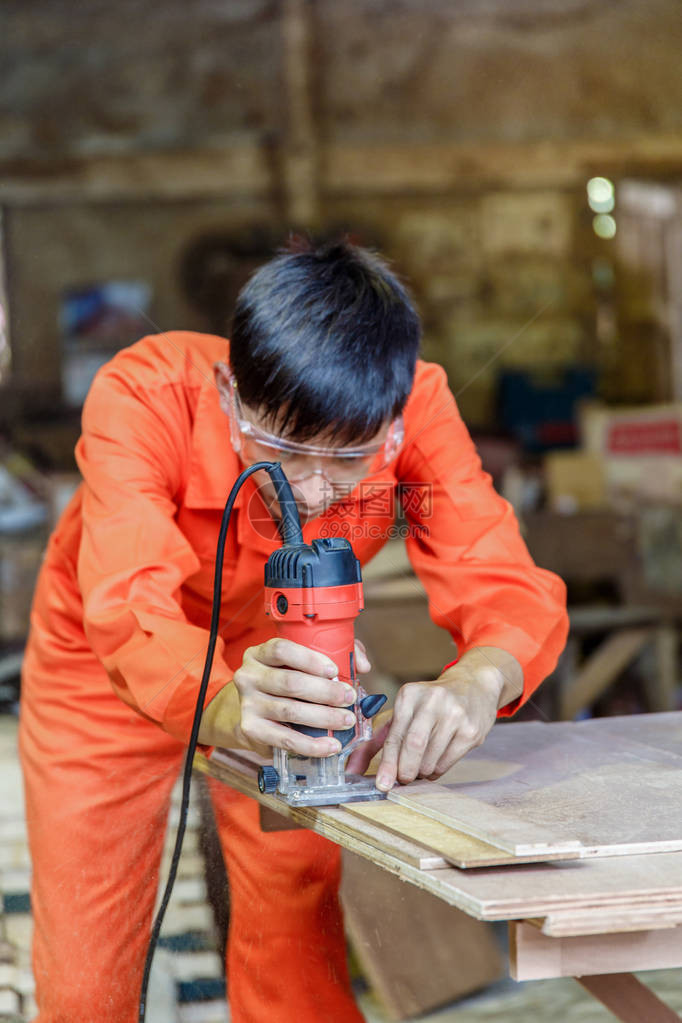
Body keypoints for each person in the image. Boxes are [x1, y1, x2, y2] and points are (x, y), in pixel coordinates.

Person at [19, 239, 568, 1022]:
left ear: (392, 426)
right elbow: (128, 600)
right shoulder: (143, 393)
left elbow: (500, 574)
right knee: (87, 964)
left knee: (294, 912)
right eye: (281, 449)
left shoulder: (419, 403)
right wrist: (220, 705)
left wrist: (477, 679)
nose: (311, 490)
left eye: (346, 460)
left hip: (295, 657)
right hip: (105, 659)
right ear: (226, 392)